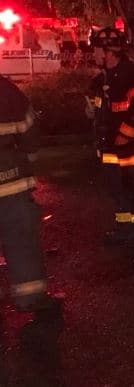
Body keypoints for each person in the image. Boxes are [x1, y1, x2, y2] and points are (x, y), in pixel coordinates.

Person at [0, 75, 59, 313]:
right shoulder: (5, 89)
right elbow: (30, 129)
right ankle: (30, 297)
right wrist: (28, 154)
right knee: (21, 239)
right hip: (12, 178)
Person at [86, 27, 134, 244]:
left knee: (131, 185)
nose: (93, 55)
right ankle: (125, 226)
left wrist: (125, 136)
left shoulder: (130, 74)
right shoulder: (106, 76)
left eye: (96, 51)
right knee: (116, 187)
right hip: (109, 144)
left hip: (125, 145)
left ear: (108, 51)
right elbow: (102, 107)